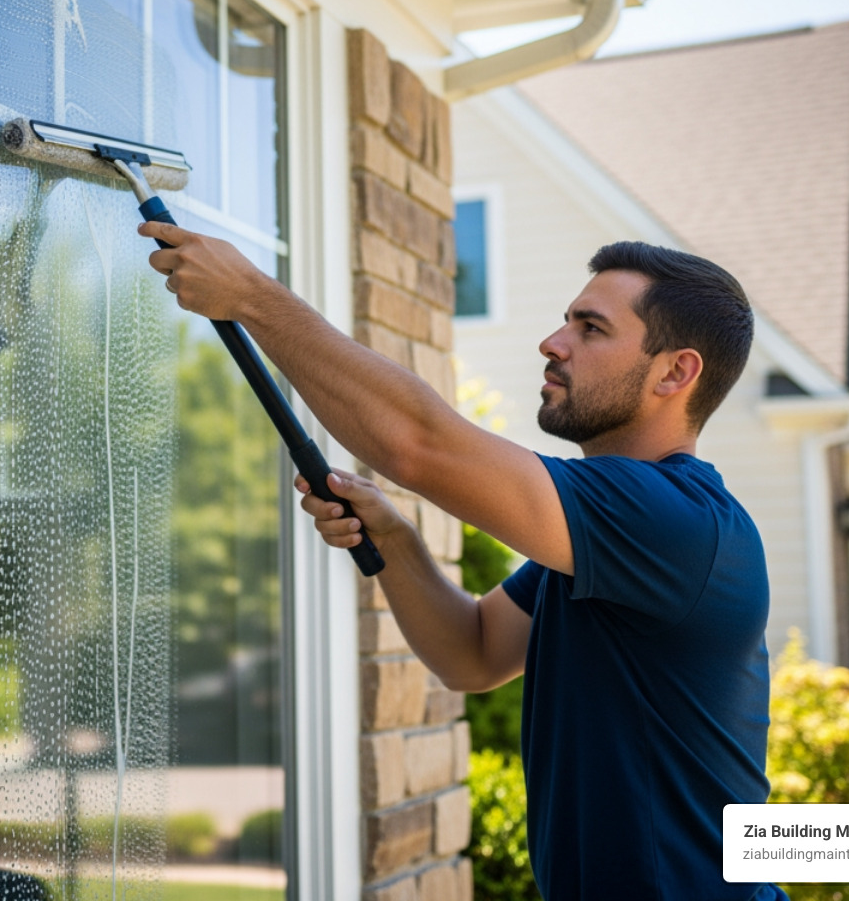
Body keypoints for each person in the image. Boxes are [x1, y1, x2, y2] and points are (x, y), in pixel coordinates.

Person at [137, 221, 787, 901]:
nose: (552, 342)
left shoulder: (674, 524)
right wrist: (394, 540)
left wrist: (252, 299)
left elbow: (417, 443)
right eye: (566, 321)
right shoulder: (606, 542)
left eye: (590, 329)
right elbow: (473, 653)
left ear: (676, 372)